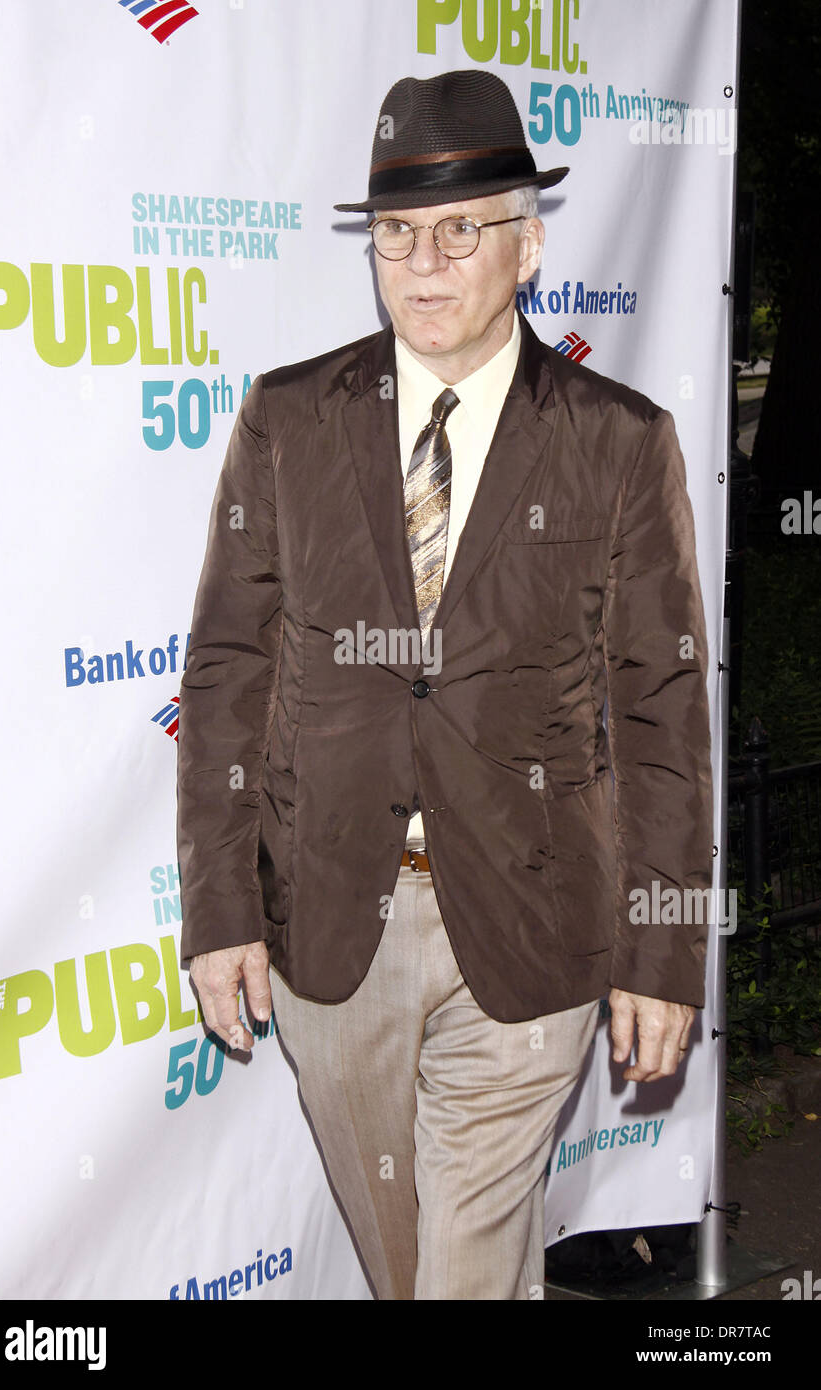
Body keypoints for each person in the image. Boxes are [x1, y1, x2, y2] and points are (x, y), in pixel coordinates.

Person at [176, 68, 713, 1301]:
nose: (423, 264)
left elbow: (660, 712)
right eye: (397, 234)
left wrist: (664, 945)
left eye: (461, 229)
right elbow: (225, 670)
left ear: (527, 247)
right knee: (418, 1266)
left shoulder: (616, 441)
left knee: (458, 1274)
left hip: (529, 929)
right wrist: (217, 909)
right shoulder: (287, 420)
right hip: (328, 929)